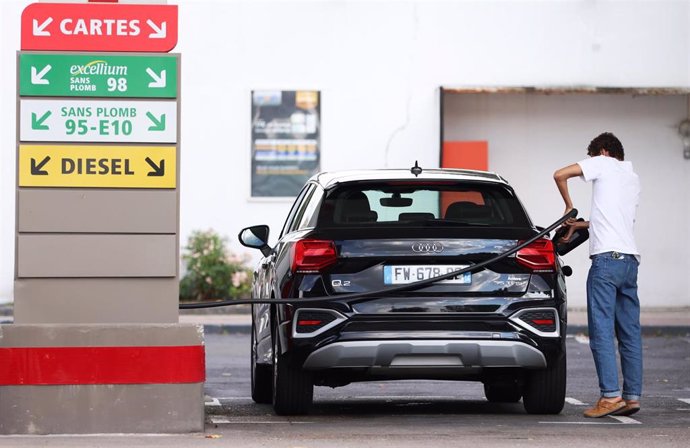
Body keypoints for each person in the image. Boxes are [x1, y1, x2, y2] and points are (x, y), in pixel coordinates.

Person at [553, 132, 642, 418]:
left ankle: (609, 397)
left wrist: (568, 205)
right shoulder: (632, 178)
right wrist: (579, 225)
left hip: (605, 262)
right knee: (629, 332)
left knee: (602, 331)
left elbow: (559, 174)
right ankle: (631, 397)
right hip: (629, 261)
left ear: (603, 152)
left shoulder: (603, 163)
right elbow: (613, 218)